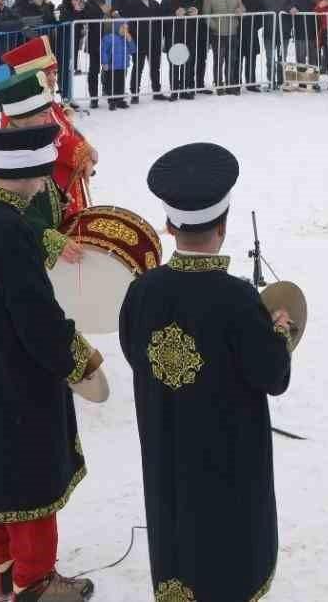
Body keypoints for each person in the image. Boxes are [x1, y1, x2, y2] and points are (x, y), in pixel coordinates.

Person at [119, 143, 294, 602]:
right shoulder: (238, 299)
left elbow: (133, 352)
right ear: (223, 224)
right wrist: (278, 331)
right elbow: (272, 376)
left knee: (177, 549)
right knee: (227, 563)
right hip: (227, 464)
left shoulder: (142, 290)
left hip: (168, 455)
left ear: (170, 225)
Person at [0, 124, 101, 602]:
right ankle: (37, 583)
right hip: (17, 375)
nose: (46, 185)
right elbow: (36, 316)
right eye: (42, 175)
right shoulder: (10, 228)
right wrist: (80, 359)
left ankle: (4, 573)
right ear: (29, 174)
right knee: (27, 478)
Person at [0, 38, 95, 225]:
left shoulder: (45, 99)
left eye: (54, 72)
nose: (53, 78)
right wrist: (85, 153)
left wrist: (86, 149)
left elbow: (64, 129)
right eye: (46, 73)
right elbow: (51, 138)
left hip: (64, 180)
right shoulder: (22, 108)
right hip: (43, 186)